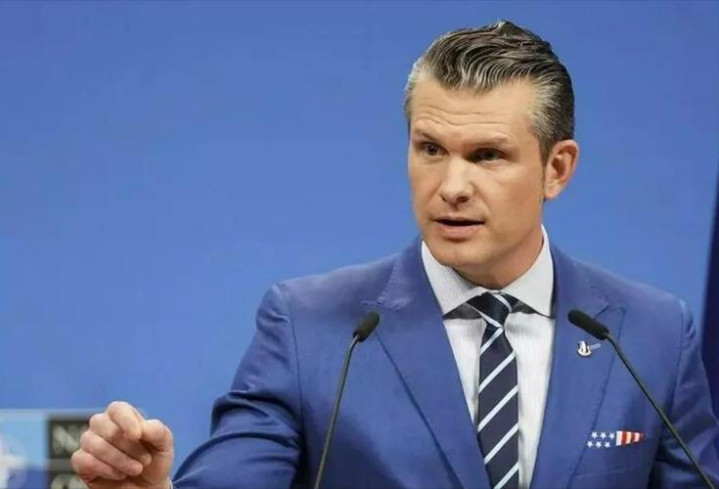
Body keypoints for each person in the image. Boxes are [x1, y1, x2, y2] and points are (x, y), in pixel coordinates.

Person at [70, 20, 719, 489]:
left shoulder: (650, 334)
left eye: (487, 155)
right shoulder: (310, 328)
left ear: (557, 168)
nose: (451, 185)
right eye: (430, 148)